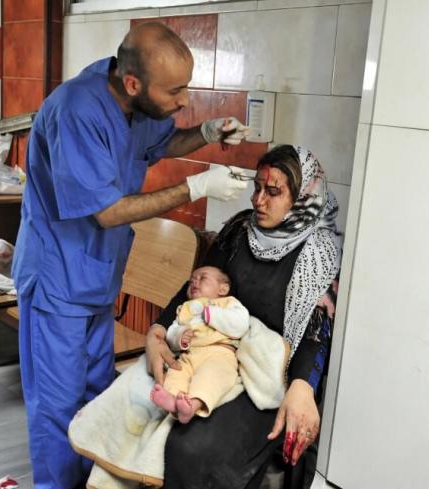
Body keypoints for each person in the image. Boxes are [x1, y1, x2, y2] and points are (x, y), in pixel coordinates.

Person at [12, 21, 253, 489]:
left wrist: (204, 132)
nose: (184, 99)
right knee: (56, 403)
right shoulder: (77, 110)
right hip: (58, 277)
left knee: (95, 391)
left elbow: (160, 144)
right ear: (132, 83)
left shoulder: (138, 107)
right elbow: (107, 212)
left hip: (97, 276)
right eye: (176, 91)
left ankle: (92, 481)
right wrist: (196, 186)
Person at [145, 144, 343, 488]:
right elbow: (197, 284)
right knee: (139, 412)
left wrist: (302, 387)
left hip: (265, 378)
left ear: (301, 197)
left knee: (189, 447)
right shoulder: (240, 230)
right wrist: (159, 330)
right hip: (213, 353)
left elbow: (317, 333)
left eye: (273, 192)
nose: (258, 200)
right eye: (257, 188)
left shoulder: (318, 253)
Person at [151, 265, 250, 424]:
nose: (195, 282)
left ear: (223, 289)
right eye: (191, 281)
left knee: (211, 377)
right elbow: (171, 332)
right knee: (176, 372)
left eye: (202, 278)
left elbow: (240, 325)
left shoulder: (228, 303)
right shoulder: (185, 309)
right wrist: (180, 337)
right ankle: (173, 400)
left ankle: (193, 405)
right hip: (189, 355)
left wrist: (212, 314)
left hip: (220, 353)